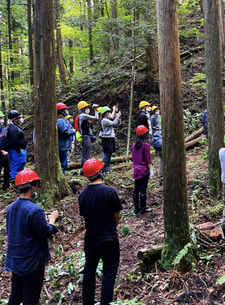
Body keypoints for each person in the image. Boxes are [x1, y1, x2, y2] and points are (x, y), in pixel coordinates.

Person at [5, 169, 58, 305]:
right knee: (31, 299)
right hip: (32, 262)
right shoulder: (35, 210)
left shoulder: (11, 208)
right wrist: (51, 220)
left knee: (15, 297)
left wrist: (40, 218)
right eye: (36, 185)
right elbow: (46, 232)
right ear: (32, 186)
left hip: (16, 260)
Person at [79, 158, 122, 305]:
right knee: (109, 272)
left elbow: (85, 216)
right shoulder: (110, 192)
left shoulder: (82, 195)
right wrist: (111, 226)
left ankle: (87, 302)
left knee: (89, 271)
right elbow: (117, 216)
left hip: (90, 238)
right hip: (108, 238)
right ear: (100, 172)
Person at [131, 125, 152, 215]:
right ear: (145, 134)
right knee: (143, 190)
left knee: (136, 190)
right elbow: (148, 159)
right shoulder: (145, 145)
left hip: (136, 171)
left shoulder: (133, 146)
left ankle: (136, 209)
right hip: (144, 171)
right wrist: (151, 169)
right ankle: (143, 208)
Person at [6, 110, 28, 188]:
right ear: (15, 119)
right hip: (15, 151)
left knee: (20, 167)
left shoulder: (15, 127)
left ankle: (19, 183)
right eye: (19, 118)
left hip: (18, 151)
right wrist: (18, 151)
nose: (20, 119)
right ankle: (14, 185)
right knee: (16, 167)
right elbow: (13, 140)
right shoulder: (13, 128)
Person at [100, 106, 121, 173]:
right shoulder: (104, 120)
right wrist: (117, 117)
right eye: (108, 112)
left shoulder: (107, 119)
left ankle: (108, 167)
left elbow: (116, 122)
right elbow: (114, 123)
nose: (109, 113)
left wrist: (116, 112)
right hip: (106, 138)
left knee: (110, 153)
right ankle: (104, 168)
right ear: (105, 113)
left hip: (110, 137)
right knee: (106, 153)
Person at [77, 101, 99, 168]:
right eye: (86, 107)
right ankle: (83, 168)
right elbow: (96, 117)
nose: (88, 109)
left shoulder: (84, 117)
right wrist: (95, 110)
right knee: (86, 153)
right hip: (85, 136)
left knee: (86, 153)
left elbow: (90, 123)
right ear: (83, 109)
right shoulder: (83, 115)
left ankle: (84, 168)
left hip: (87, 136)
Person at [57, 103, 76, 175]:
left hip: (64, 145)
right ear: (61, 111)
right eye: (65, 110)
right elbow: (64, 132)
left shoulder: (63, 120)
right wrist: (73, 131)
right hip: (62, 146)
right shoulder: (60, 121)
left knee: (63, 163)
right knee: (63, 164)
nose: (66, 111)